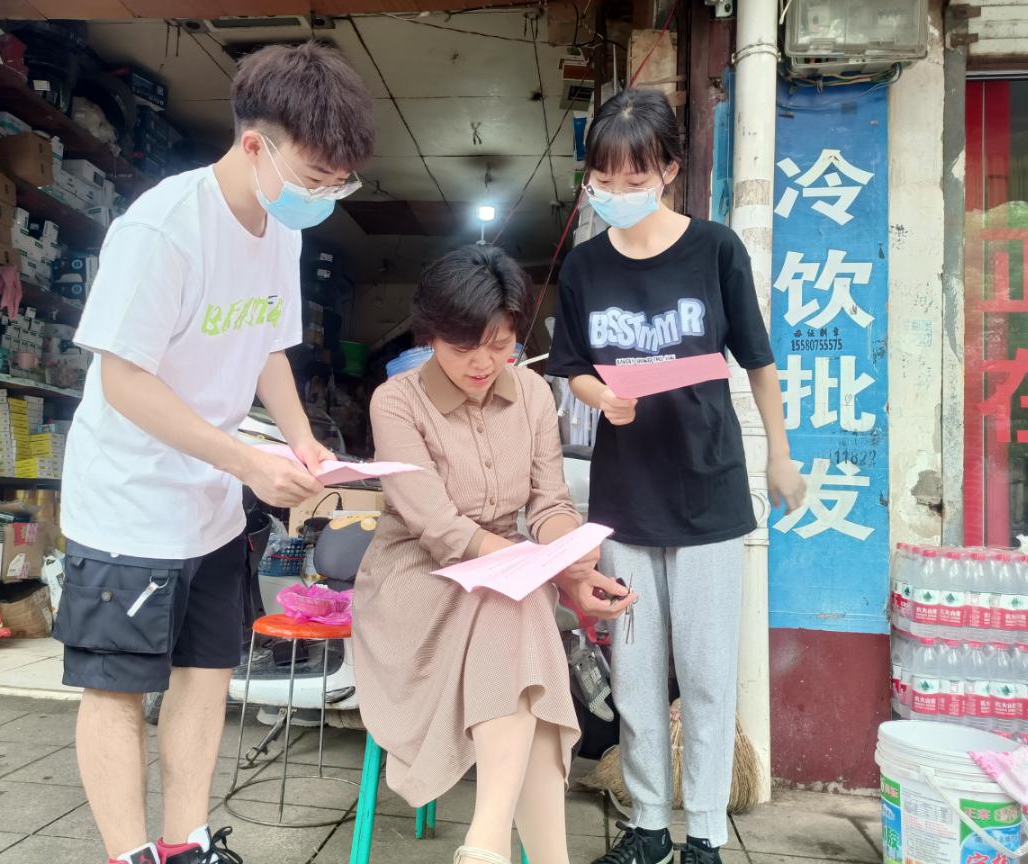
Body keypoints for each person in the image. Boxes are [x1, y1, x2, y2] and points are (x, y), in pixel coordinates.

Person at [55, 44, 374, 864]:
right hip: (129, 502)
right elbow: (124, 381)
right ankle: (129, 855)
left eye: (340, 184)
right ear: (255, 144)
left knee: (205, 674)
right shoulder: (163, 229)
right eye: (317, 178)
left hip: (210, 505)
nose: (324, 197)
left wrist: (301, 438)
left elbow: (267, 343)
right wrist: (244, 462)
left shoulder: (280, 229)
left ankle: (186, 844)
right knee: (119, 688)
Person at [548, 88, 807, 864]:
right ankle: (649, 825)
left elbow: (757, 360)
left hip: (707, 489)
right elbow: (571, 366)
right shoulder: (584, 267)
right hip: (625, 496)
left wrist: (780, 454)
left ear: (667, 169)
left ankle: (704, 835)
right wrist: (602, 397)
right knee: (634, 674)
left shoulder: (716, 250)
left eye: (633, 179)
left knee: (706, 674)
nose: (616, 193)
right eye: (603, 179)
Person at [353, 245, 635, 864]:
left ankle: (486, 844)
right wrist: (535, 568)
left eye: (501, 345)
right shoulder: (396, 401)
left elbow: (549, 503)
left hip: (505, 583)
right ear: (431, 335)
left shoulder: (533, 393)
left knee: (517, 608)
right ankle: (508, 848)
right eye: (463, 348)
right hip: (416, 580)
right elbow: (438, 527)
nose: (483, 363)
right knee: (521, 605)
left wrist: (573, 561)